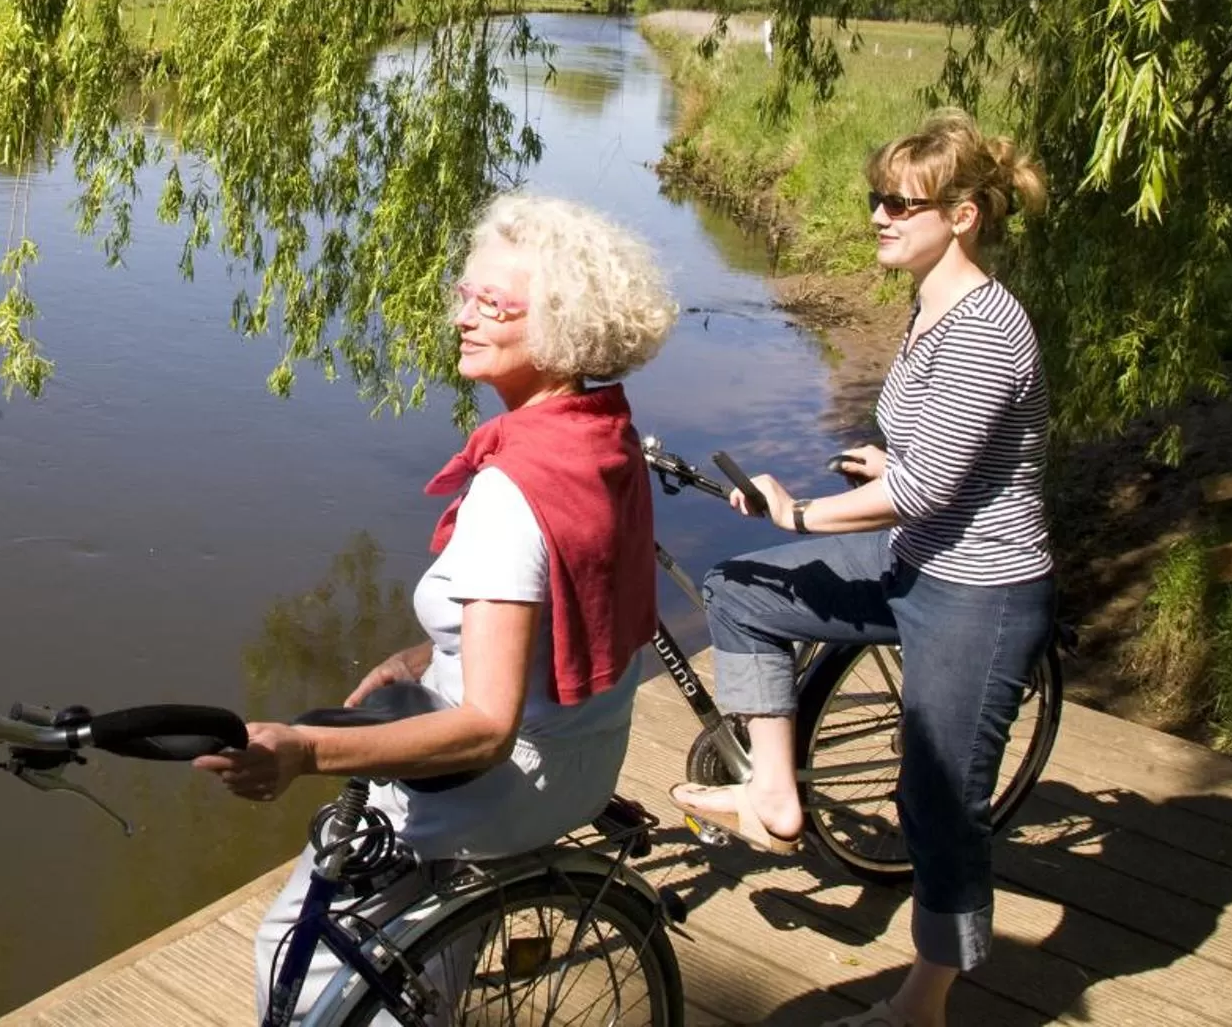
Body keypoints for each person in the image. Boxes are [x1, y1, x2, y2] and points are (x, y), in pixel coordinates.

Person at [194, 192, 677, 1023]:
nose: (463, 316)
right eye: (465, 294)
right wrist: (423, 656)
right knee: (419, 959)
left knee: (291, 952)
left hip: (501, 783)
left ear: (561, 323)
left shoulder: (514, 492)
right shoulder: (601, 437)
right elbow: (567, 609)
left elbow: (487, 729)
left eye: (493, 304)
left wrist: (301, 750)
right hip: (581, 759)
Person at [670, 108, 1051, 1027]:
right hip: (917, 556)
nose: (878, 215)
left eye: (900, 203)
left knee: (938, 802)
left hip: (980, 587)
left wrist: (801, 509)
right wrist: (887, 465)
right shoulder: (929, 303)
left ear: (962, 215)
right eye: (875, 198)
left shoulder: (986, 328)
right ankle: (773, 789)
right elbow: (930, 461)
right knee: (743, 587)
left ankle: (923, 1003)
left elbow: (926, 490)